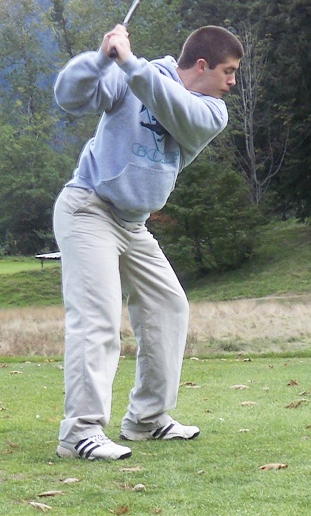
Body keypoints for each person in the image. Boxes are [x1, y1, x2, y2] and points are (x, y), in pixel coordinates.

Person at [53, 24, 244, 461]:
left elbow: (173, 106)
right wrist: (102, 58)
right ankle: (79, 432)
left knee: (168, 307)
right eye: (229, 71)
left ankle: (145, 418)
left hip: (134, 224)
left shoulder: (212, 111)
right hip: (89, 208)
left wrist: (130, 63)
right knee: (97, 319)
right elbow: (68, 96)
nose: (232, 82)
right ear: (202, 64)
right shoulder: (128, 73)